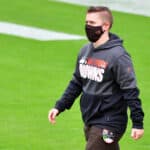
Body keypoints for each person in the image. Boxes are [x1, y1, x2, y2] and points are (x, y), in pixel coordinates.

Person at [48, 6, 144, 150]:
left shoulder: (118, 56)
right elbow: (77, 82)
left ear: (105, 26)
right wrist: (60, 106)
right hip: (90, 118)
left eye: (92, 23)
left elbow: (130, 90)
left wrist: (137, 123)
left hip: (110, 123)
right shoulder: (85, 51)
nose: (87, 26)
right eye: (86, 22)